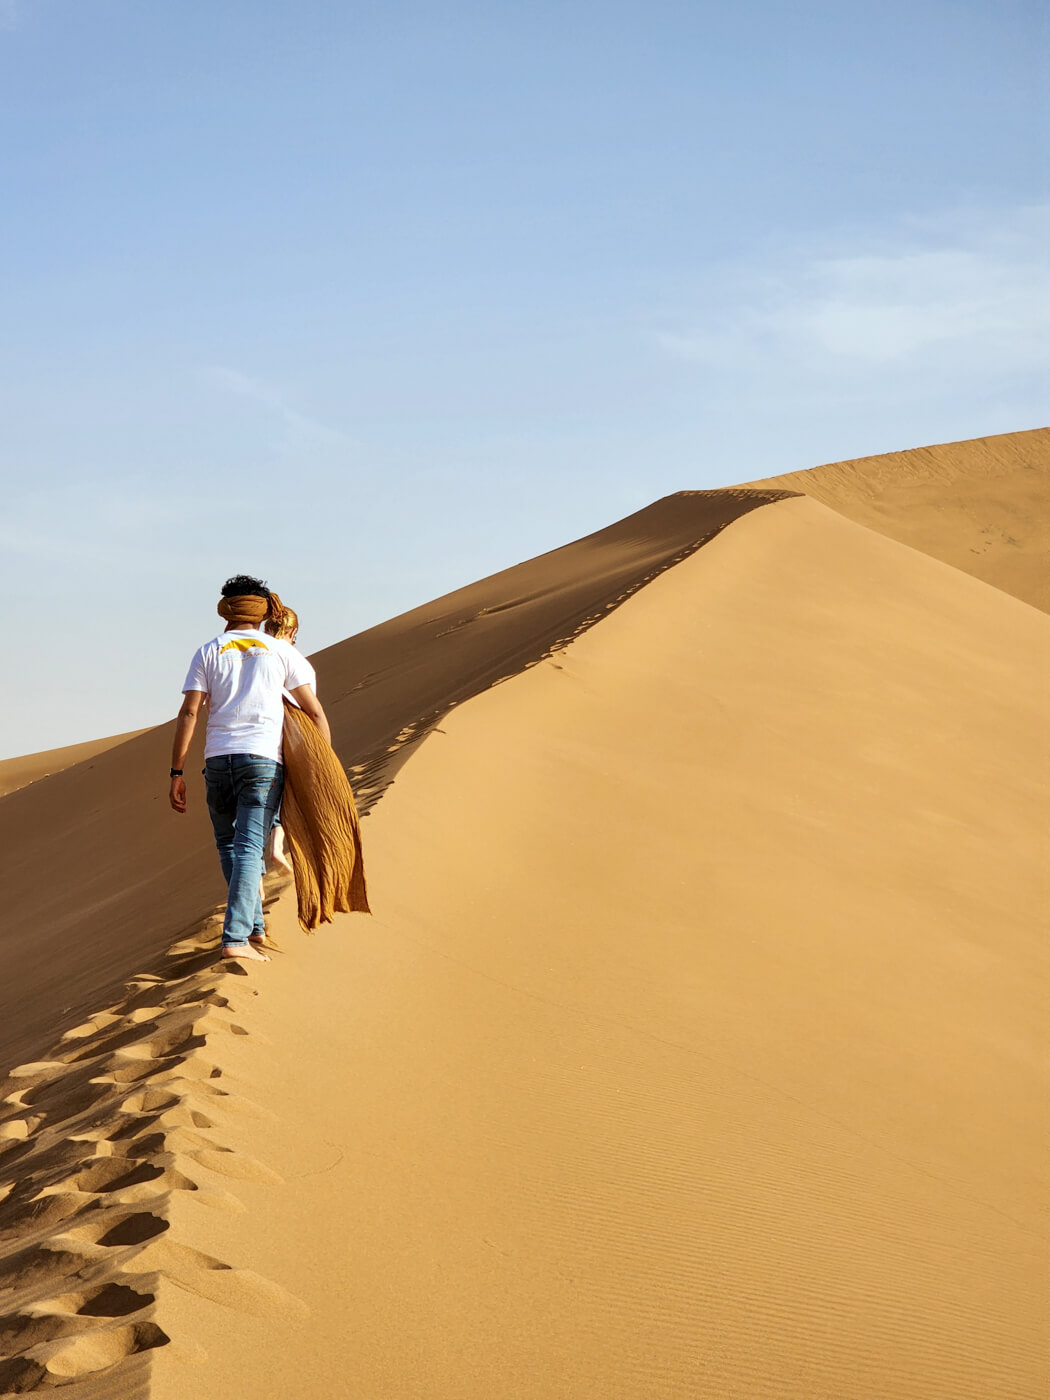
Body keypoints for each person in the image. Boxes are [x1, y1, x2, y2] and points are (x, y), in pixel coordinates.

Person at [169, 575, 331, 963]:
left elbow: (190, 711)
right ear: (262, 613)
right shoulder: (280, 652)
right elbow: (314, 711)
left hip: (217, 761)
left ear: (225, 609)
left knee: (229, 845)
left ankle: (254, 928)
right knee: (247, 849)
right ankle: (237, 938)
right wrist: (322, 768)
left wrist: (176, 772)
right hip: (261, 761)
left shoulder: (208, 651)